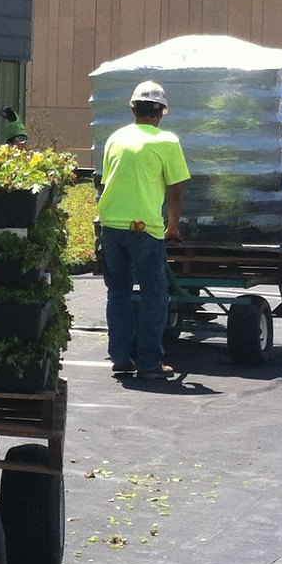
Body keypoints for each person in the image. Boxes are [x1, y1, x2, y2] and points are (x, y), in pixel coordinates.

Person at [96, 80, 190, 381]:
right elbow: (176, 190)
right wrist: (173, 227)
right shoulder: (167, 141)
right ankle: (149, 362)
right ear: (160, 112)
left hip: (110, 225)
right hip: (143, 227)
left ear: (133, 109)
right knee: (155, 295)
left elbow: (105, 180)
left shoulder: (115, 138)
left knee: (119, 293)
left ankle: (121, 358)